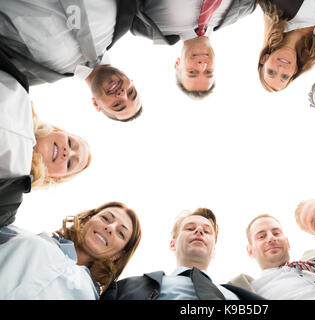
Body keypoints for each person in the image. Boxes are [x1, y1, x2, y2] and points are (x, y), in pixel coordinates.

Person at [0, 0, 142, 122]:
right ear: (132, 80)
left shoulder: (31, 74)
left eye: (117, 104)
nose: (122, 94)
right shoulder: (121, 18)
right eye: (131, 93)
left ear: (96, 104)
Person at [101, 208, 263, 300]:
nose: (199, 230)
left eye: (207, 231)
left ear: (213, 250)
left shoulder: (241, 298)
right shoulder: (125, 287)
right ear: (173, 244)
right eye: (190, 228)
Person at [0, 201, 142, 299]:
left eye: (121, 233)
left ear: (118, 255)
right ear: (86, 220)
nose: (110, 228)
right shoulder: (27, 238)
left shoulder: (88, 295)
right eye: (106, 218)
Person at [123, 0, 257, 99]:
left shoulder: (143, 26)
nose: (202, 65)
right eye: (209, 71)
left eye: (192, 71)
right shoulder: (246, 8)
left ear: (178, 64)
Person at [0, 69, 91, 189]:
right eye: (69, 142)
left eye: (69, 163)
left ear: (55, 178)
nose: (67, 152)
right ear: (56, 130)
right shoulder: (19, 92)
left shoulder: (10, 190)